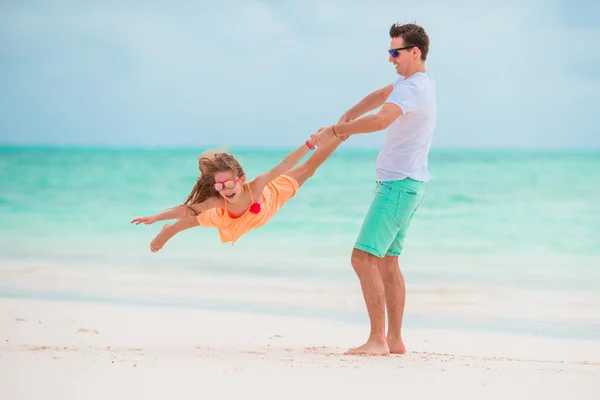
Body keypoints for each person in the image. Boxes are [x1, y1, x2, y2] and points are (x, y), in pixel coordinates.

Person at [311, 23, 436, 356]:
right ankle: (393, 340)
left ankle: (377, 340)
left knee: (362, 258)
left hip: (397, 187)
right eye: (389, 52)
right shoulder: (413, 82)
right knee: (387, 262)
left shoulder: (412, 89)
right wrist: (351, 114)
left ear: (415, 52)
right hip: (410, 185)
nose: (391, 58)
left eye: (396, 52)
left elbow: (382, 120)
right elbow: (381, 96)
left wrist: (338, 130)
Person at [131, 134, 344, 251]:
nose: (225, 190)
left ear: (241, 180)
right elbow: (185, 209)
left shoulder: (258, 184)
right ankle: (170, 231)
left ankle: (339, 135)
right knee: (196, 216)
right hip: (229, 220)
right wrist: (156, 218)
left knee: (308, 170)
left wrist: (310, 144)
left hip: (268, 202)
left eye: (229, 184)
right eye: (219, 186)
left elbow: (286, 163)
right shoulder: (218, 202)